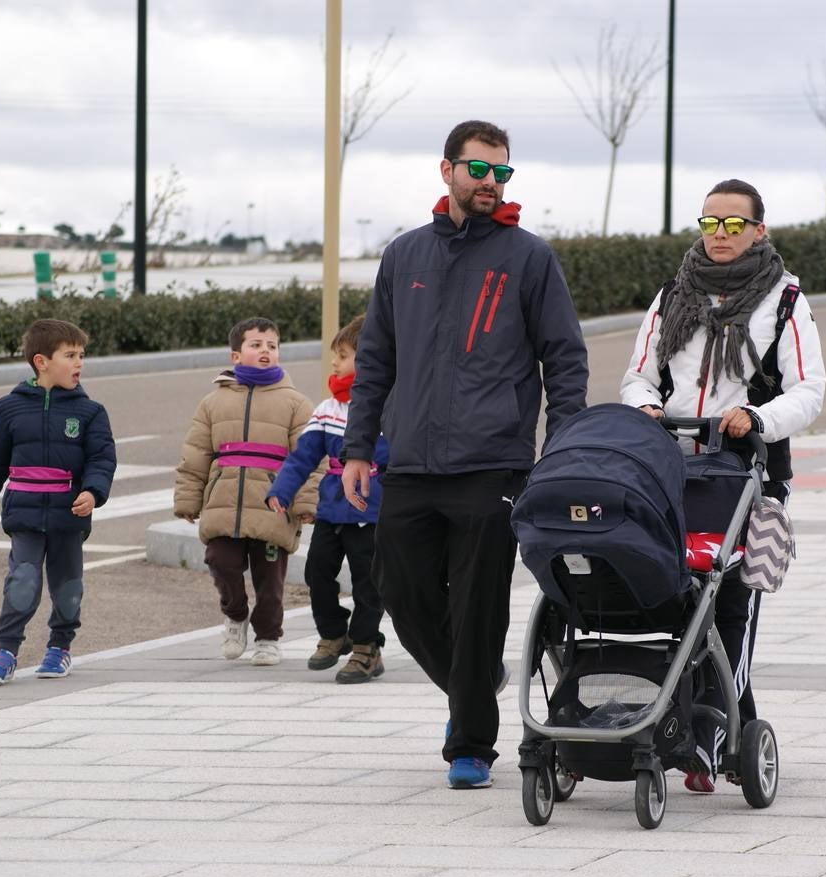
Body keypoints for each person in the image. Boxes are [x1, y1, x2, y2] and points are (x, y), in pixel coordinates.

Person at [340, 119, 589, 789]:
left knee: (477, 605)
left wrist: (560, 447)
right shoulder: (405, 256)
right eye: (479, 170)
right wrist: (358, 445)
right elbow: (375, 360)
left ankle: (471, 744)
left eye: (502, 172)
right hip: (413, 459)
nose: (491, 183)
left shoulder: (528, 257)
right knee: (398, 588)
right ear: (446, 170)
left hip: (493, 461)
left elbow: (563, 358)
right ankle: (474, 680)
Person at [620, 178, 826, 792]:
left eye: (734, 225)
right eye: (711, 223)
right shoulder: (672, 295)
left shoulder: (785, 300)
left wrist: (757, 418)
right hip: (671, 469)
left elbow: (809, 390)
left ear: (758, 230)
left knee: (731, 605)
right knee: (686, 603)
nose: (721, 236)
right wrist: (646, 409)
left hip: (749, 474)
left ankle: (708, 736)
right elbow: (637, 377)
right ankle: (721, 727)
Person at [0, 318, 117, 684]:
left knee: (68, 586)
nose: (79, 363)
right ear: (42, 361)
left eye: (81, 355)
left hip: (69, 515)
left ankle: (59, 647)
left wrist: (92, 492)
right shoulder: (8, 408)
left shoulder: (90, 412)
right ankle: (6, 651)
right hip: (23, 510)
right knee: (22, 580)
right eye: (70, 355)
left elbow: (102, 458)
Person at [174, 317, 317, 667]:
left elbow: (311, 457)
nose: (265, 351)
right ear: (236, 356)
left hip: (273, 505)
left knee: (270, 579)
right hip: (223, 502)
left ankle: (268, 637)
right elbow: (196, 454)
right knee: (219, 561)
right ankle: (235, 614)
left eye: (271, 345)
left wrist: (306, 501)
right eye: (256, 345)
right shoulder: (212, 402)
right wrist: (188, 498)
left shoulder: (296, 403)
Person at [266, 314, 389, 684]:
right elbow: (303, 456)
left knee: (370, 583)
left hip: (371, 511)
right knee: (316, 572)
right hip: (332, 511)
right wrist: (282, 491)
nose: (334, 363)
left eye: (343, 355)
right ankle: (334, 633)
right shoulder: (327, 409)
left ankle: (367, 648)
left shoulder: (389, 408)